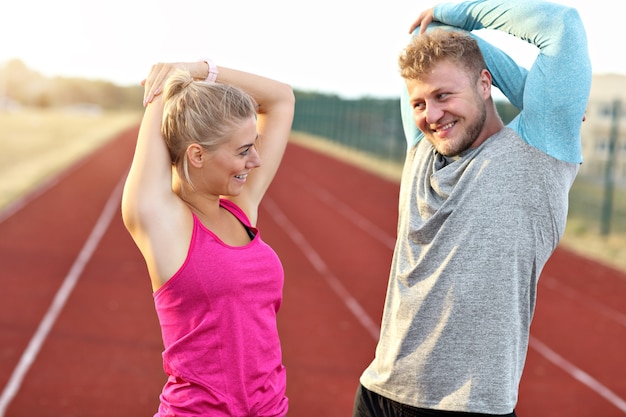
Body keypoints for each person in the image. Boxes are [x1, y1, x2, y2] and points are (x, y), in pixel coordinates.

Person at [353, 0, 591, 416]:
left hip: (469, 407)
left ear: (486, 83)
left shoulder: (537, 151)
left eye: (444, 95)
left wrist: (459, 13)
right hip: (379, 392)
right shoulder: (422, 152)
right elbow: (422, 36)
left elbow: (561, 26)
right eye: (420, 103)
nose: (432, 115)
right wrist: (474, 56)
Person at [121, 59, 295, 417]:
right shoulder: (164, 223)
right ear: (197, 155)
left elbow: (281, 99)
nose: (257, 161)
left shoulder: (240, 210)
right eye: (244, 150)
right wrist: (161, 91)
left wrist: (198, 70)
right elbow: (151, 164)